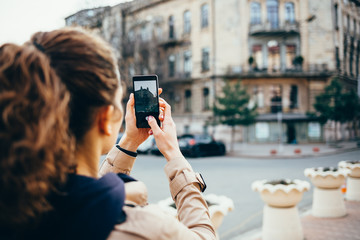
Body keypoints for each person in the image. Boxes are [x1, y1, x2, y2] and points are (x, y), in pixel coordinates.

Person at [0, 27, 216, 240]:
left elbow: (87, 192)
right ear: (105, 118)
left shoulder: (18, 200)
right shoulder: (144, 230)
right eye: (119, 99)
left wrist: (130, 141)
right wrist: (175, 156)